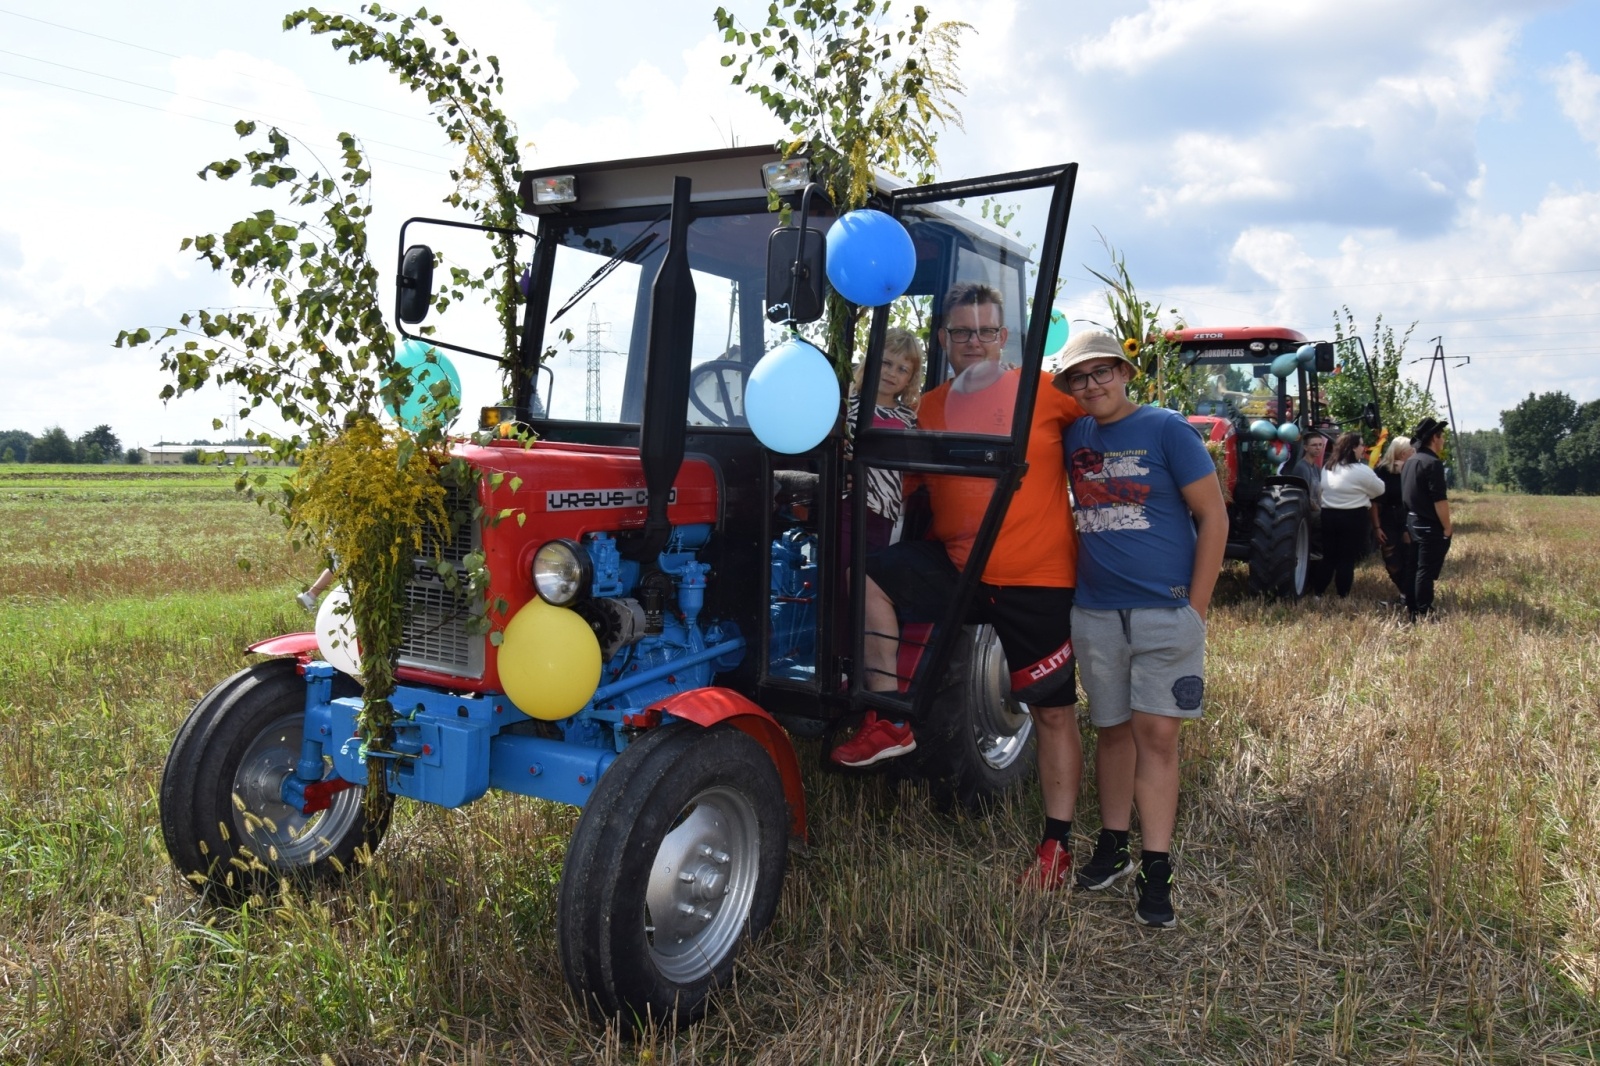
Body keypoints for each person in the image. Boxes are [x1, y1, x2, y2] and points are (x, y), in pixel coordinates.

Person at [831, 281, 1089, 890]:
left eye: (986, 331)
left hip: (1035, 576)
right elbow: (910, 482)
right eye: (962, 332)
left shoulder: (1045, 394)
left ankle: (1056, 844)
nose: (974, 341)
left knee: (1051, 714)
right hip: (959, 568)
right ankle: (890, 720)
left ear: (1004, 338)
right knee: (864, 576)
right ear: (945, 340)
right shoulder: (931, 407)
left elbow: (1104, 431)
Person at [1057, 331, 1227, 928]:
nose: (1093, 385)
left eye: (1102, 372)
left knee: (1157, 735)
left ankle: (1158, 870)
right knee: (1112, 730)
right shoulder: (1074, 435)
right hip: (1097, 611)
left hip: (1165, 610)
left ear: (1124, 373)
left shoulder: (1166, 430)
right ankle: (1114, 847)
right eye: (1079, 378)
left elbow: (1213, 516)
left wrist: (1195, 607)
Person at [844, 328, 923, 552]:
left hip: (885, 510)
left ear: (910, 379)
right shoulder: (849, 403)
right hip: (847, 503)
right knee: (841, 572)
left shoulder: (909, 417)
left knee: (868, 574)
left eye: (902, 369)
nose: (891, 373)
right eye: (886, 363)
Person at [1312, 432, 1385, 599]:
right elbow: (1380, 489)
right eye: (1361, 445)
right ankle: (1342, 595)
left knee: (1328, 556)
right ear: (1353, 448)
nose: (1363, 448)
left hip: (1328, 516)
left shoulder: (1328, 467)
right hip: (1353, 517)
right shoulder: (1362, 471)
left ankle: (1318, 593)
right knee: (1346, 558)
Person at [1402, 417, 1452, 621]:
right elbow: (1439, 500)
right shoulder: (1433, 464)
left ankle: (1412, 606)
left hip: (1412, 521)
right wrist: (1447, 527)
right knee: (1425, 570)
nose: (1443, 442)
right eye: (1442, 437)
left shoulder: (1410, 462)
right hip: (1428, 524)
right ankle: (1424, 610)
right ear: (1434, 437)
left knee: (1413, 566)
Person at [1373, 435, 1415, 607]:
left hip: (1407, 517)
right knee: (1391, 559)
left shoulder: (1412, 470)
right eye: (1411, 451)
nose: (1414, 454)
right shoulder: (1382, 471)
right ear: (1403, 453)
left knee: (1408, 556)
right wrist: (1376, 527)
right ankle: (1406, 593)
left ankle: (1409, 596)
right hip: (1388, 518)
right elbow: (1374, 502)